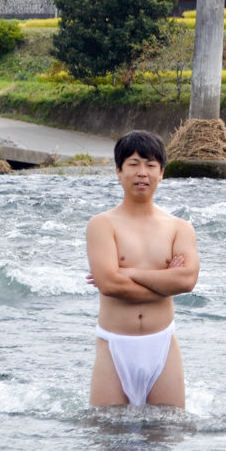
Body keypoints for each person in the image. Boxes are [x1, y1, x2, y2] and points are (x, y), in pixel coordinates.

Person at [86, 130, 199, 407]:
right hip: (115, 346)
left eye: (150, 165)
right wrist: (164, 281)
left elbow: (186, 281)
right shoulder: (102, 225)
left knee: (167, 436)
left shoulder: (179, 227)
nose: (142, 173)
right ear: (118, 171)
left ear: (161, 173)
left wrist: (130, 272)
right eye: (133, 164)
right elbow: (110, 285)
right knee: (108, 439)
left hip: (161, 344)